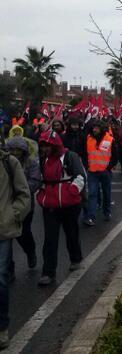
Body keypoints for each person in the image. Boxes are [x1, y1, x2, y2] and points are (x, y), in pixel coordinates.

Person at [36, 130, 85, 286]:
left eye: (48, 146)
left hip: (69, 204)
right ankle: (48, 272)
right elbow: (38, 178)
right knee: (50, 239)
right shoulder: (43, 159)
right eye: (43, 146)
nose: (45, 149)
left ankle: (76, 258)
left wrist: (72, 191)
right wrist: (40, 193)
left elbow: (80, 176)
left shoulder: (70, 157)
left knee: (71, 233)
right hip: (50, 205)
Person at [0, 141, 32, 349]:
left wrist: (13, 215)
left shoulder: (9, 163)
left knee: (0, 278)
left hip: (2, 230)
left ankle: (2, 327)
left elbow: (23, 194)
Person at [5, 136, 41, 271]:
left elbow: (35, 181)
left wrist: (21, 190)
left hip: (25, 204)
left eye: (18, 150)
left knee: (23, 233)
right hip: (6, 204)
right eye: (12, 149)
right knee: (6, 238)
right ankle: (9, 269)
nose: (15, 152)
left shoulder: (31, 163)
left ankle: (30, 251)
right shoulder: (5, 163)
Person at [82, 120, 118, 226]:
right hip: (92, 171)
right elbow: (85, 153)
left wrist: (109, 167)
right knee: (92, 194)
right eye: (94, 128)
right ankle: (90, 217)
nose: (94, 130)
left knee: (107, 193)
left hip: (105, 172)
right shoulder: (88, 138)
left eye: (97, 128)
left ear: (102, 129)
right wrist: (87, 165)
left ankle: (107, 212)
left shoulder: (110, 139)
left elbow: (115, 156)